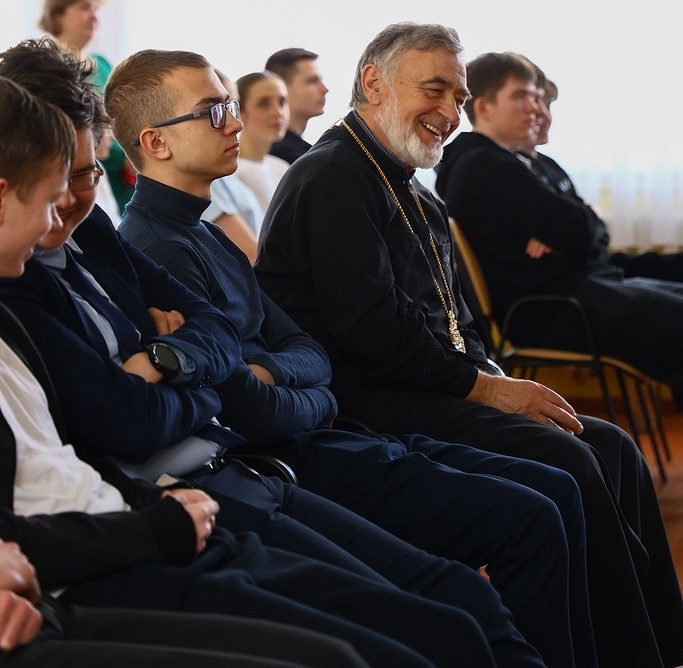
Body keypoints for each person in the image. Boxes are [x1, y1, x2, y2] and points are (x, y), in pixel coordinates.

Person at [0, 38, 550, 668]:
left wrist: (172, 363)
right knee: (467, 585)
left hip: (265, 451)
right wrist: (215, 376)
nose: (234, 124)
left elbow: (292, 350)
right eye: (217, 111)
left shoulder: (151, 233)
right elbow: (151, 413)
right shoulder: (127, 247)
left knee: (484, 568)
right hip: (226, 470)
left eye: (87, 175)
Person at [255, 21, 683, 668]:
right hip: (363, 400)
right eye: (434, 90)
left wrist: (491, 376)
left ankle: (654, 648)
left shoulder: (412, 190)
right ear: (373, 81)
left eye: (457, 97)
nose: (450, 113)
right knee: (568, 455)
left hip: (428, 381)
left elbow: (458, 320)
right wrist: (488, 390)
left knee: (611, 444)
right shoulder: (333, 176)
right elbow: (373, 331)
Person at [0, 75, 376, 668]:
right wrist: (159, 516)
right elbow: (126, 422)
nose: (62, 210)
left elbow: (243, 338)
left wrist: (163, 360)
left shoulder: (103, 234)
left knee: (419, 610)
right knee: (359, 643)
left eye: (86, 176)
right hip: (152, 510)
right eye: (53, 190)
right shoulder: (27, 284)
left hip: (187, 485)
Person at [434, 49, 683, 406]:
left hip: (576, 289)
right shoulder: (483, 166)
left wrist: (578, 227)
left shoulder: (513, 162)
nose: (536, 108)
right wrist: (581, 226)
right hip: (550, 309)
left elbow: (588, 233)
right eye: (521, 96)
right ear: (485, 107)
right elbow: (581, 233)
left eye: (537, 97)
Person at [515, 56, 683, 283]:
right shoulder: (509, 170)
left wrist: (584, 218)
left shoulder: (548, 164)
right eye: (535, 104)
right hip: (583, 278)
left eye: (547, 105)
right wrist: (575, 226)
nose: (544, 115)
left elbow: (592, 228)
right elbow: (580, 232)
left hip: (599, 264)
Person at [37, 0, 136, 213]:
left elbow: (127, 113)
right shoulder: (44, 66)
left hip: (124, 177)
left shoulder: (101, 63)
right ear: (57, 14)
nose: (94, 16)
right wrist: (123, 156)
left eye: (96, 8)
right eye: (84, 7)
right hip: (80, 177)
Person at [201, 72, 262, 264]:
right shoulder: (208, 181)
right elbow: (251, 257)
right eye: (218, 110)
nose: (237, 123)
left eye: (233, 107)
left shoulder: (225, 173)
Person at [230, 71, 291, 214]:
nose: (278, 112)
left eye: (282, 102)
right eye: (264, 104)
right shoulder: (233, 173)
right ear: (241, 112)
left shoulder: (281, 167)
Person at [265, 48, 328, 163]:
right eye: (312, 81)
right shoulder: (279, 156)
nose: (325, 89)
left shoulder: (304, 152)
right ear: (281, 88)